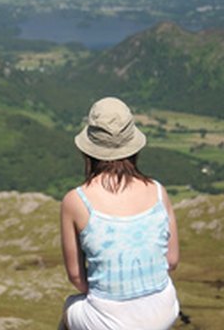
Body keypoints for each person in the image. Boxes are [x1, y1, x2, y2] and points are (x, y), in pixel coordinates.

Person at [59, 97, 180, 330]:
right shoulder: (158, 191)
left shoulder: (76, 201)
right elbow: (172, 261)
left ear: (89, 151)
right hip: (164, 310)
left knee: (71, 307)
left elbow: (76, 277)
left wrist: (109, 292)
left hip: (111, 323)